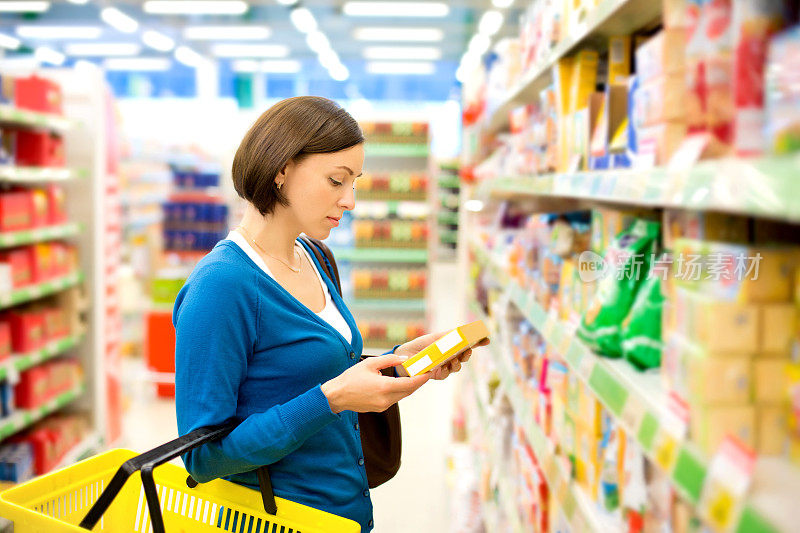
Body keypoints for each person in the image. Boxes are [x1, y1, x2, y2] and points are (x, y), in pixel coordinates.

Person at [174, 96, 480, 532]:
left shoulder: (313, 254)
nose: (350, 200)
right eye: (337, 181)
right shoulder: (222, 286)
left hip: (344, 515)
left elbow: (314, 372)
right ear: (281, 170)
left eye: (354, 181)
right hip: (279, 520)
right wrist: (331, 399)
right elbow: (203, 456)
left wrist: (399, 361)